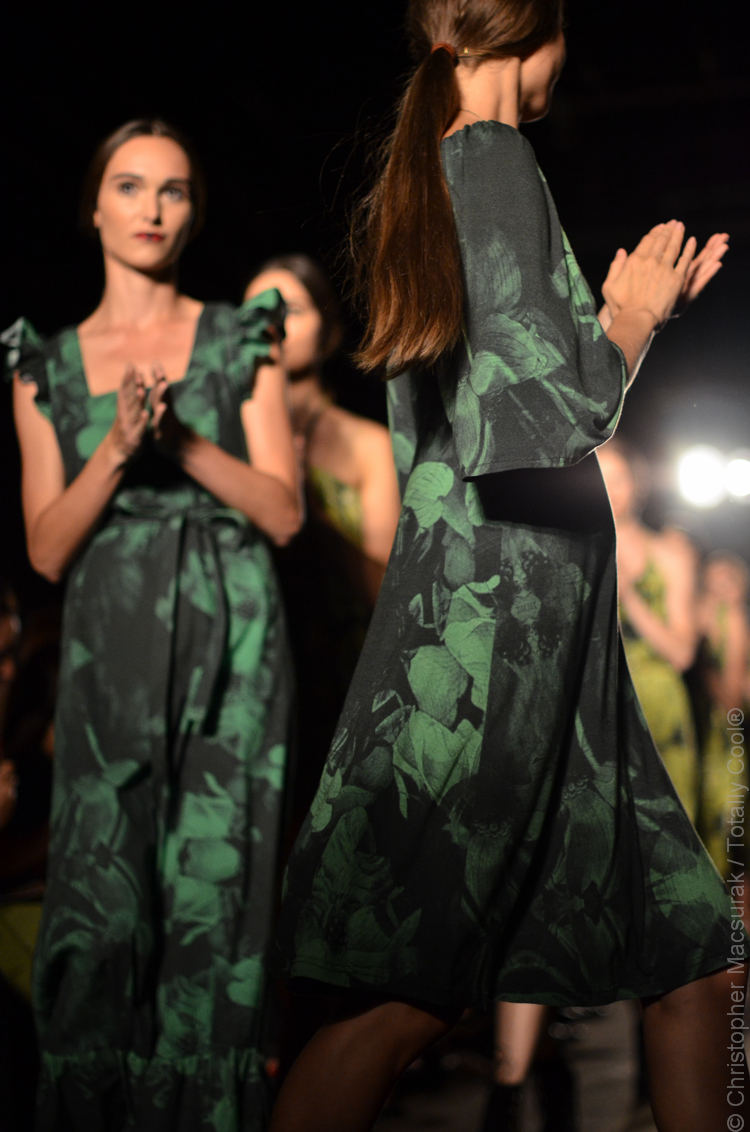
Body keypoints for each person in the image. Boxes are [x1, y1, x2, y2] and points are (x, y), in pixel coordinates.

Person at [270, 4, 743, 1132]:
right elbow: (527, 423)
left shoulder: (445, 167)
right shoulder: (489, 159)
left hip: (543, 636)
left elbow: (511, 403)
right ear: (541, 35)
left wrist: (625, 324)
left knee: (695, 959)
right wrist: (631, 324)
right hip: (504, 648)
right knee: (411, 997)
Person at [3, 118, 302, 1132]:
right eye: (130, 186)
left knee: (216, 891)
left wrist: (180, 442)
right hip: (111, 644)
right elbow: (47, 548)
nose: (151, 208)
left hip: (233, 636)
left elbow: (284, 512)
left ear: (193, 212)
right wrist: (119, 447)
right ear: (95, 206)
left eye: (173, 190)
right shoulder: (44, 364)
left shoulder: (239, 336)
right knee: (102, 894)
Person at [245, 256, 401, 839]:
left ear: (327, 329)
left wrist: (303, 510)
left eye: (289, 309)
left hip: (338, 673)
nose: (271, 325)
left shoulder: (367, 444)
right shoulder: (220, 438)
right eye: (254, 312)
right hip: (248, 663)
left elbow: (383, 589)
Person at [596, 441, 700, 819]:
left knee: (670, 828)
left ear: (637, 483)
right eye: (600, 479)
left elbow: (683, 653)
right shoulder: (575, 553)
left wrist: (630, 597)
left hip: (658, 708)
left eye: (618, 478)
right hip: (600, 707)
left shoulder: (670, 554)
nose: (610, 490)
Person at [697, 553, 750, 888]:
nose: (717, 592)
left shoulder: (733, 620)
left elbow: (732, 700)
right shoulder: (705, 617)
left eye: (726, 584)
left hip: (729, 741)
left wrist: (705, 673)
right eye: (711, 584)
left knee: (725, 832)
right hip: (707, 735)